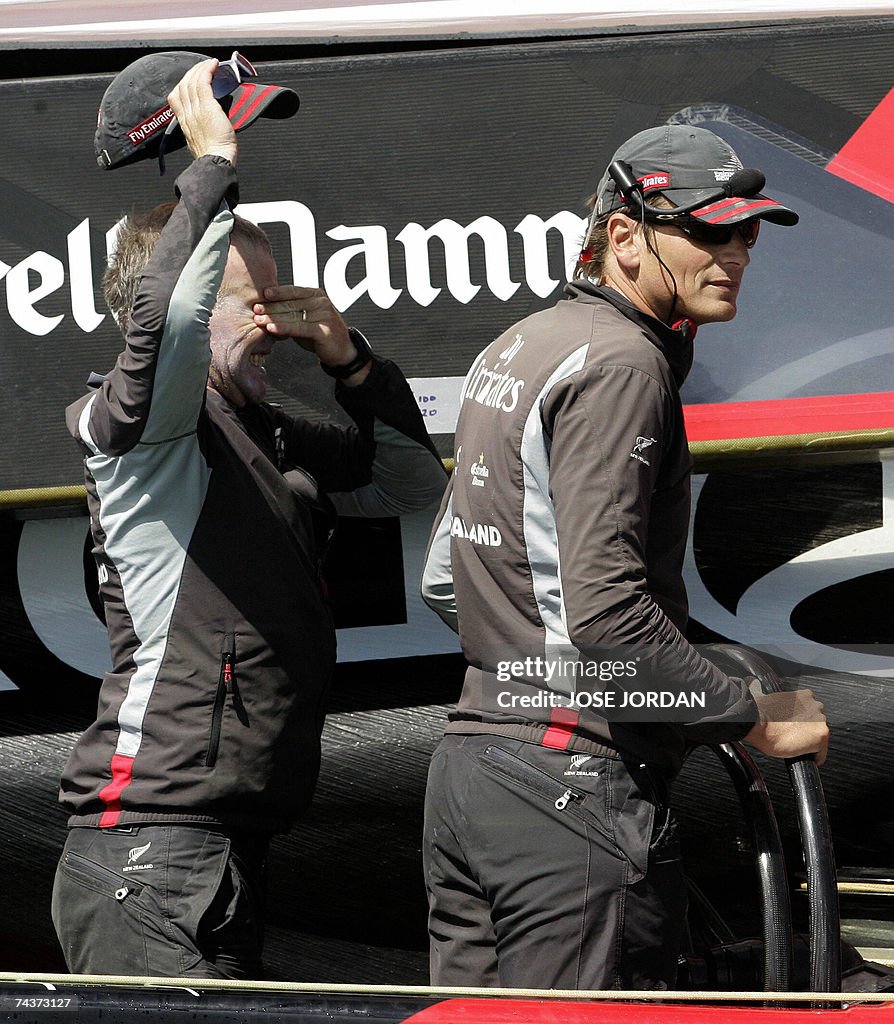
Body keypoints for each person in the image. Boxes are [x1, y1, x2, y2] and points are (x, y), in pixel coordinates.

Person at [51, 58, 446, 979]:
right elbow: (169, 323)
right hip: (145, 845)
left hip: (215, 842)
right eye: (250, 303)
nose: (273, 322)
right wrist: (213, 161)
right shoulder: (137, 431)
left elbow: (406, 484)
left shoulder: (267, 429)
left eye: (278, 298)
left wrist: (350, 359)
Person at [420, 123, 830, 990]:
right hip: (568, 786)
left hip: (472, 772)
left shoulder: (520, 344)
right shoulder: (622, 364)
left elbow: (446, 580)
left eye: (747, 230)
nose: (735, 252)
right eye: (706, 229)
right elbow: (606, 619)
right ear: (622, 235)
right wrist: (747, 712)